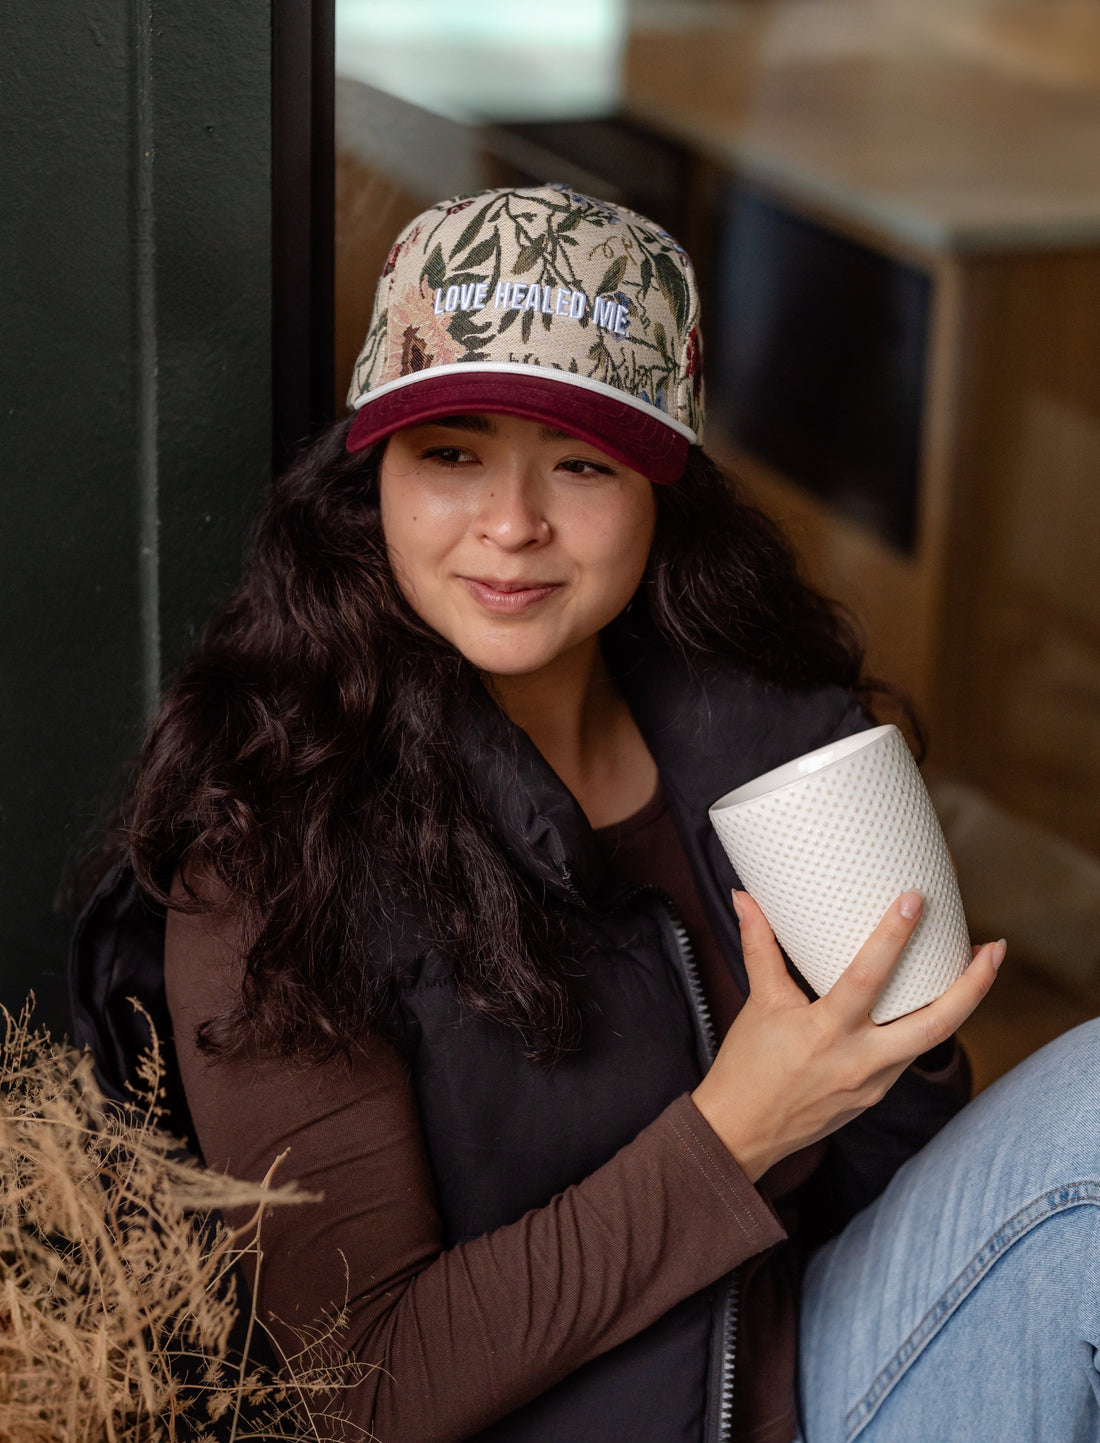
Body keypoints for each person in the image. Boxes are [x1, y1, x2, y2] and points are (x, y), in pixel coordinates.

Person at [70, 185, 1100, 1443]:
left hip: (813, 1357)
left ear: (661, 486)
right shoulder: (272, 842)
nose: (512, 526)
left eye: (580, 462)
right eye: (450, 453)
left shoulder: (755, 721)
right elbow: (352, 1389)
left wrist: (897, 1044)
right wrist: (734, 1132)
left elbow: (904, 1155)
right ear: (370, 474)